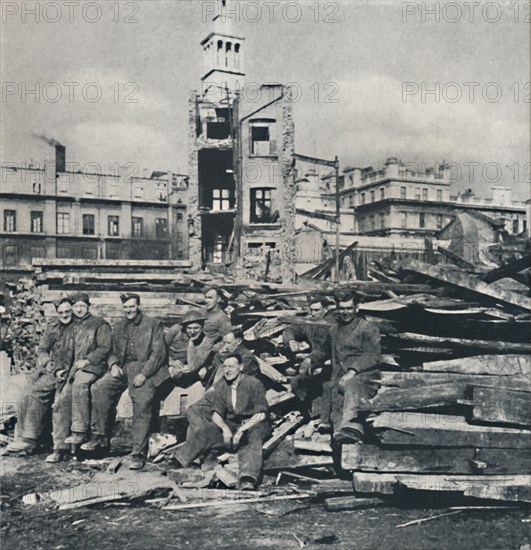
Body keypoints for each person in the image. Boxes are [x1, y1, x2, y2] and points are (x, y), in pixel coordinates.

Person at [81, 293, 168, 470]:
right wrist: (113, 365)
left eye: (132, 306)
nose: (129, 310)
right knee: (99, 388)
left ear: (138, 305)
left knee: (142, 400)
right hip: (123, 368)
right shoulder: (119, 326)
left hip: (146, 369)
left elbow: (158, 354)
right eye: (126, 307)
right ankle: (101, 439)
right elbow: (111, 351)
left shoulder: (153, 324)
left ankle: (138, 452)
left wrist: (144, 373)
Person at [172, 353, 271, 490]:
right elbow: (216, 413)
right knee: (206, 429)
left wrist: (240, 431)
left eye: (231, 366)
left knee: (253, 437)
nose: (227, 370)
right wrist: (224, 428)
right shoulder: (223, 386)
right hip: (234, 423)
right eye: (224, 367)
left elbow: (261, 413)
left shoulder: (253, 384)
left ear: (241, 367)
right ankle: (178, 460)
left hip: (254, 423)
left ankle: (247, 478)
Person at [46, 293, 112, 462]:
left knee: (80, 384)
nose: (79, 309)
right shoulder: (73, 326)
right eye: (76, 307)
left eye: (82, 306)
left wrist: (88, 360)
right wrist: (59, 369)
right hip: (74, 369)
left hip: (94, 366)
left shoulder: (99, 324)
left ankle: (80, 431)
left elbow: (105, 348)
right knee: (61, 402)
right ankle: (60, 448)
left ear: (88, 306)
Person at [4, 297, 74, 455]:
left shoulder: (78, 327)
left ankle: (30, 439)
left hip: (71, 370)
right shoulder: (53, 327)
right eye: (61, 312)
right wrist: (47, 361)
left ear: (72, 311)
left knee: (42, 395)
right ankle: (27, 437)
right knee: (27, 392)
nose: (64, 315)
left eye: (67, 312)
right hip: (53, 369)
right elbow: (42, 349)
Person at [328, 291, 381, 444]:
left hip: (366, 379)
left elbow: (373, 355)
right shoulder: (334, 330)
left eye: (349, 308)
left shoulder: (368, 328)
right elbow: (324, 350)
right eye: (341, 308)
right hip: (340, 379)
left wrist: (353, 371)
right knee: (335, 399)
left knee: (351, 384)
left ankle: (353, 428)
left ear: (357, 308)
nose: (345, 312)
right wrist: (310, 360)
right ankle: (342, 447)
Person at [283, 294, 334, 428]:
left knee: (325, 384)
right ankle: (313, 415)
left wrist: (310, 359)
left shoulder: (332, 324)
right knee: (296, 382)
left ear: (326, 309)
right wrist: (291, 340)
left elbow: (325, 349)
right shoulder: (310, 323)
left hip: (333, 363)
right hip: (314, 362)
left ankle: (325, 418)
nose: (312, 313)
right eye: (311, 310)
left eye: (316, 310)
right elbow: (291, 328)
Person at [167, 310, 219, 385]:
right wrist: (171, 362)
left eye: (196, 328)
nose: (192, 332)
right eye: (189, 328)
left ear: (202, 328)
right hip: (171, 363)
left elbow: (193, 365)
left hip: (189, 367)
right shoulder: (176, 330)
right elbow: (161, 349)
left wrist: (191, 343)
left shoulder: (206, 340)